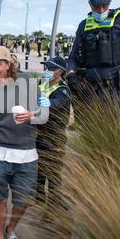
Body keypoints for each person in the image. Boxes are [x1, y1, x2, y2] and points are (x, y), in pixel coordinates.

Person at [0, 46, 47, 239]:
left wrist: (32, 115)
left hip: (27, 154)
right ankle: (0, 237)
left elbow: (44, 115)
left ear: (9, 64)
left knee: (23, 200)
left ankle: (11, 229)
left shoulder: (29, 84)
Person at [36, 56, 71, 210]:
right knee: (38, 174)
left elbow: (60, 103)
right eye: (47, 67)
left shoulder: (62, 89)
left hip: (54, 139)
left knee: (53, 175)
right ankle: (39, 202)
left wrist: (49, 103)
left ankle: (53, 209)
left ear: (60, 71)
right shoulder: (42, 84)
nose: (47, 71)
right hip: (38, 136)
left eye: (51, 68)